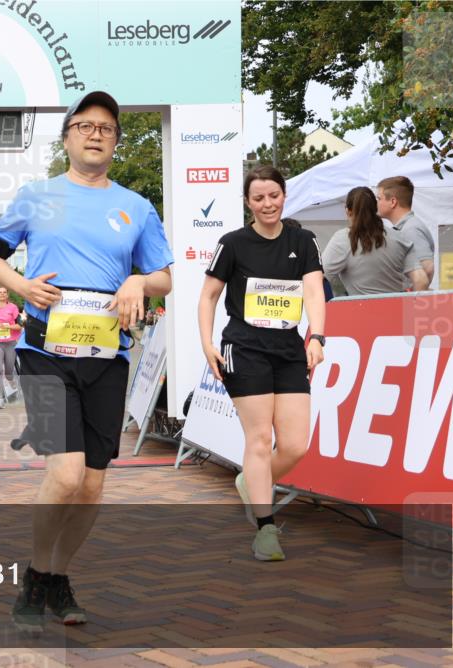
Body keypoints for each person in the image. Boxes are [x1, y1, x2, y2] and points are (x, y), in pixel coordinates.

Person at [0, 91, 173, 630]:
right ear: (66, 138)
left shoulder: (137, 206)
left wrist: (138, 279)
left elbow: (166, 279)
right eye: (83, 125)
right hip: (44, 354)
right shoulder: (37, 196)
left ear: (115, 141)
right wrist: (22, 286)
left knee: (91, 484)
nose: (94, 134)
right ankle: (37, 575)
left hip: (107, 358)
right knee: (63, 475)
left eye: (105, 128)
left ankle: (57, 575)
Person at [198, 165, 326, 562]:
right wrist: (206, 344)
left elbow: (313, 291)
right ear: (247, 202)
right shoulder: (233, 243)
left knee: (295, 446)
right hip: (245, 348)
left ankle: (250, 481)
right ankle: (265, 530)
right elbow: (208, 297)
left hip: (289, 350)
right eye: (259, 198)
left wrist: (317, 336)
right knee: (258, 440)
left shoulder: (302, 240)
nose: (267, 204)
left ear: (284, 196)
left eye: (273, 195)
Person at [323, 187, 429, 295]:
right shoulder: (399, 238)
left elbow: (323, 272)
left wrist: (342, 294)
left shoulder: (342, 239)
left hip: (358, 309)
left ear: (348, 211)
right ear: (375, 208)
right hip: (395, 308)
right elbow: (421, 280)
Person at [376, 176, 435, 286]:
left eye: (379, 198)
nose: (377, 203)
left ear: (393, 202)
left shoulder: (410, 229)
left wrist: (411, 296)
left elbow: (428, 268)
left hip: (408, 300)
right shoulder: (407, 228)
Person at [0, 286, 22, 409]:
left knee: (8, 372)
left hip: (11, 343)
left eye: (4, 292)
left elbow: (19, 326)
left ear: (7, 295)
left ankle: (11, 380)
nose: (2, 294)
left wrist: (6, 327)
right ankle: (0, 399)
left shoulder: (13, 308)